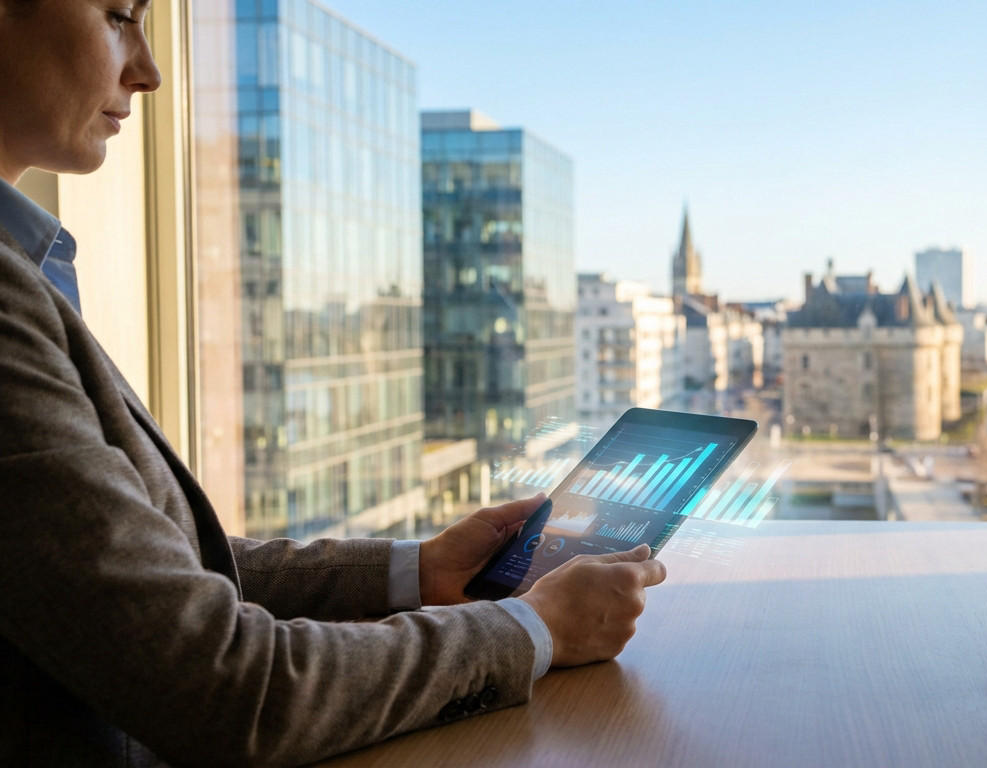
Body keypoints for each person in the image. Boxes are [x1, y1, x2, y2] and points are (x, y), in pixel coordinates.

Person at [0, 1, 666, 765]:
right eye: (120, 14)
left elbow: (161, 574)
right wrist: (536, 628)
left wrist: (416, 569)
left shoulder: (28, 269)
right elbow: (225, 689)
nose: (147, 71)